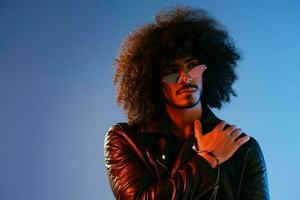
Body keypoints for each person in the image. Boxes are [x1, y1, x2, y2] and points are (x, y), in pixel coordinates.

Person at [104, 5, 270, 200]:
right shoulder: (126, 140)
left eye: (193, 67)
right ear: (153, 82)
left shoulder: (242, 148)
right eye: (171, 73)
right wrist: (207, 159)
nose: (186, 78)